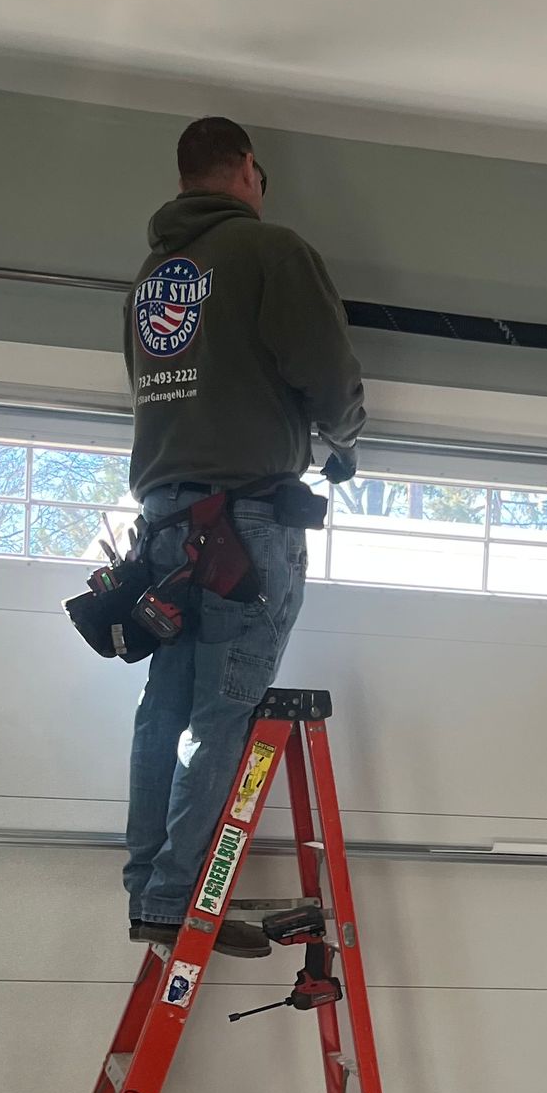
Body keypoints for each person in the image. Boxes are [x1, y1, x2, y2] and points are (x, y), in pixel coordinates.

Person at [120, 116, 365, 957]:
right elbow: (327, 372)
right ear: (248, 173)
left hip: (167, 528)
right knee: (220, 714)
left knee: (167, 713)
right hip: (244, 527)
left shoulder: (154, 279)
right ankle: (181, 899)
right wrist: (346, 432)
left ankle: (151, 892)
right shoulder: (269, 252)